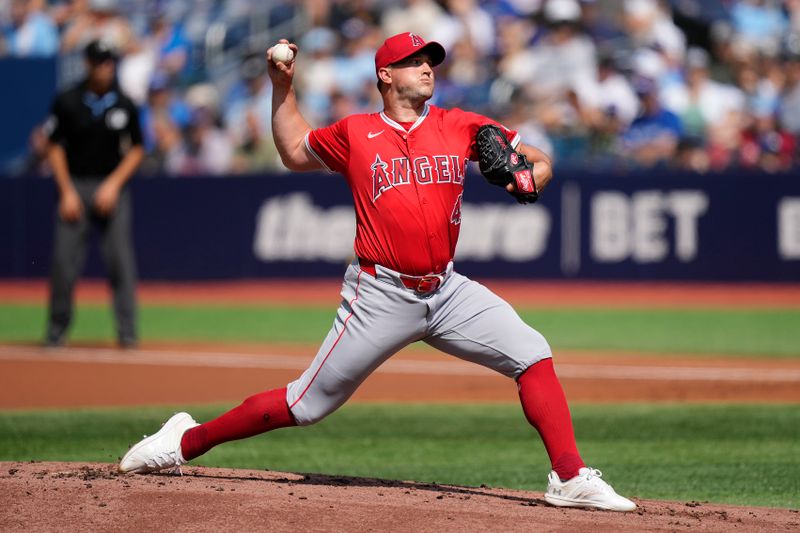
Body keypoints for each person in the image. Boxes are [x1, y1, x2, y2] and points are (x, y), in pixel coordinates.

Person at [119, 32, 636, 512]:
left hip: (448, 289)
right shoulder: (357, 132)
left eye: (429, 61)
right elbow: (295, 150)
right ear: (385, 75)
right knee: (305, 404)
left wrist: (528, 176)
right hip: (380, 293)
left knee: (532, 352)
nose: (426, 68)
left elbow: (539, 160)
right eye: (413, 62)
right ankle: (184, 440)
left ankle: (569, 477)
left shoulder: (461, 125)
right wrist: (283, 88)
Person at [43, 39, 144, 348]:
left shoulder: (124, 103)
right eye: (100, 62)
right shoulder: (68, 100)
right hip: (76, 185)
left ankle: (127, 332)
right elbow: (54, 147)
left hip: (111, 187)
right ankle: (56, 331)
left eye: (110, 62)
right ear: (88, 64)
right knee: (64, 262)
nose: (106, 68)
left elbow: (137, 149)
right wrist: (66, 192)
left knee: (120, 262)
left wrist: (114, 184)